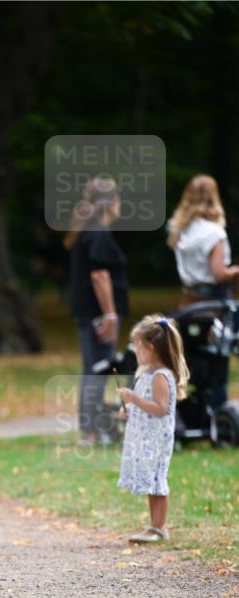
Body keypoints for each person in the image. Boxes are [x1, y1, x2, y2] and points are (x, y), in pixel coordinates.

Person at [65, 176, 128, 444]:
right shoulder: (99, 232)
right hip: (97, 314)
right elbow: (100, 276)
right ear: (111, 201)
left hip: (86, 313)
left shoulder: (87, 230)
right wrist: (110, 314)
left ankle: (91, 429)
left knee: (91, 368)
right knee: (98, 369)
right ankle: (91, 432)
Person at [117, 315, 189, 543]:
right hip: (147, 439)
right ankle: (153, 527)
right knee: (151, 481)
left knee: (158, 481)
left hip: (156, 441)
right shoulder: (147, 375)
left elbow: (160, 409)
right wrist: (131, 410)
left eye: (136, 346)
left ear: (150, 347)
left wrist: (134, 399)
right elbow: (148, 406)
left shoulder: (160, 377)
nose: (134, 350)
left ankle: (159, 528)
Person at [167, 174, 239, 305]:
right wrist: (234, 271)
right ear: (214, 197)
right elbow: (219, 275)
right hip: (214, 302)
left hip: (188, 298)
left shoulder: (180, 229)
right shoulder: (214, 232)